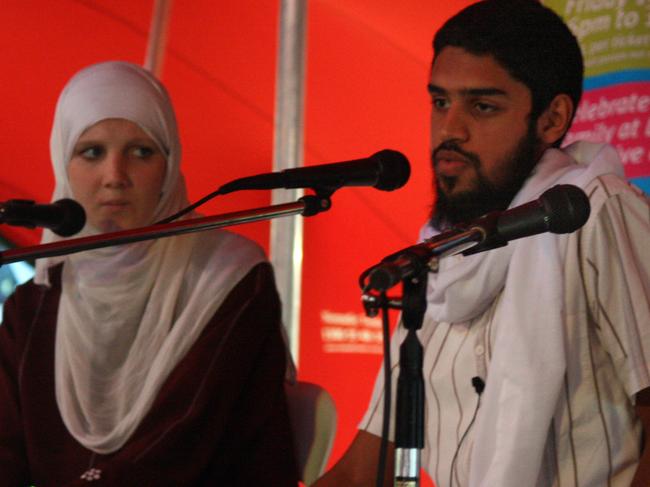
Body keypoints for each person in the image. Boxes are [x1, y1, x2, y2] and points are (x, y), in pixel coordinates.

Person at [314, 1, 650, 486]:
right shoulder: (437, 256)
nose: (450, 129)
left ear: (552, 119)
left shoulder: (592, 212)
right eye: (440, 102)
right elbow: (362, 472)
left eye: (482, 105)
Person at [0, 61, 298, 486]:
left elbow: (241, 454)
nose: (115, 177)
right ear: (62, 164)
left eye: (141, 152)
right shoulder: (31, 306)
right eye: (92, 152)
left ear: (169, 166)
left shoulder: (228, 280)